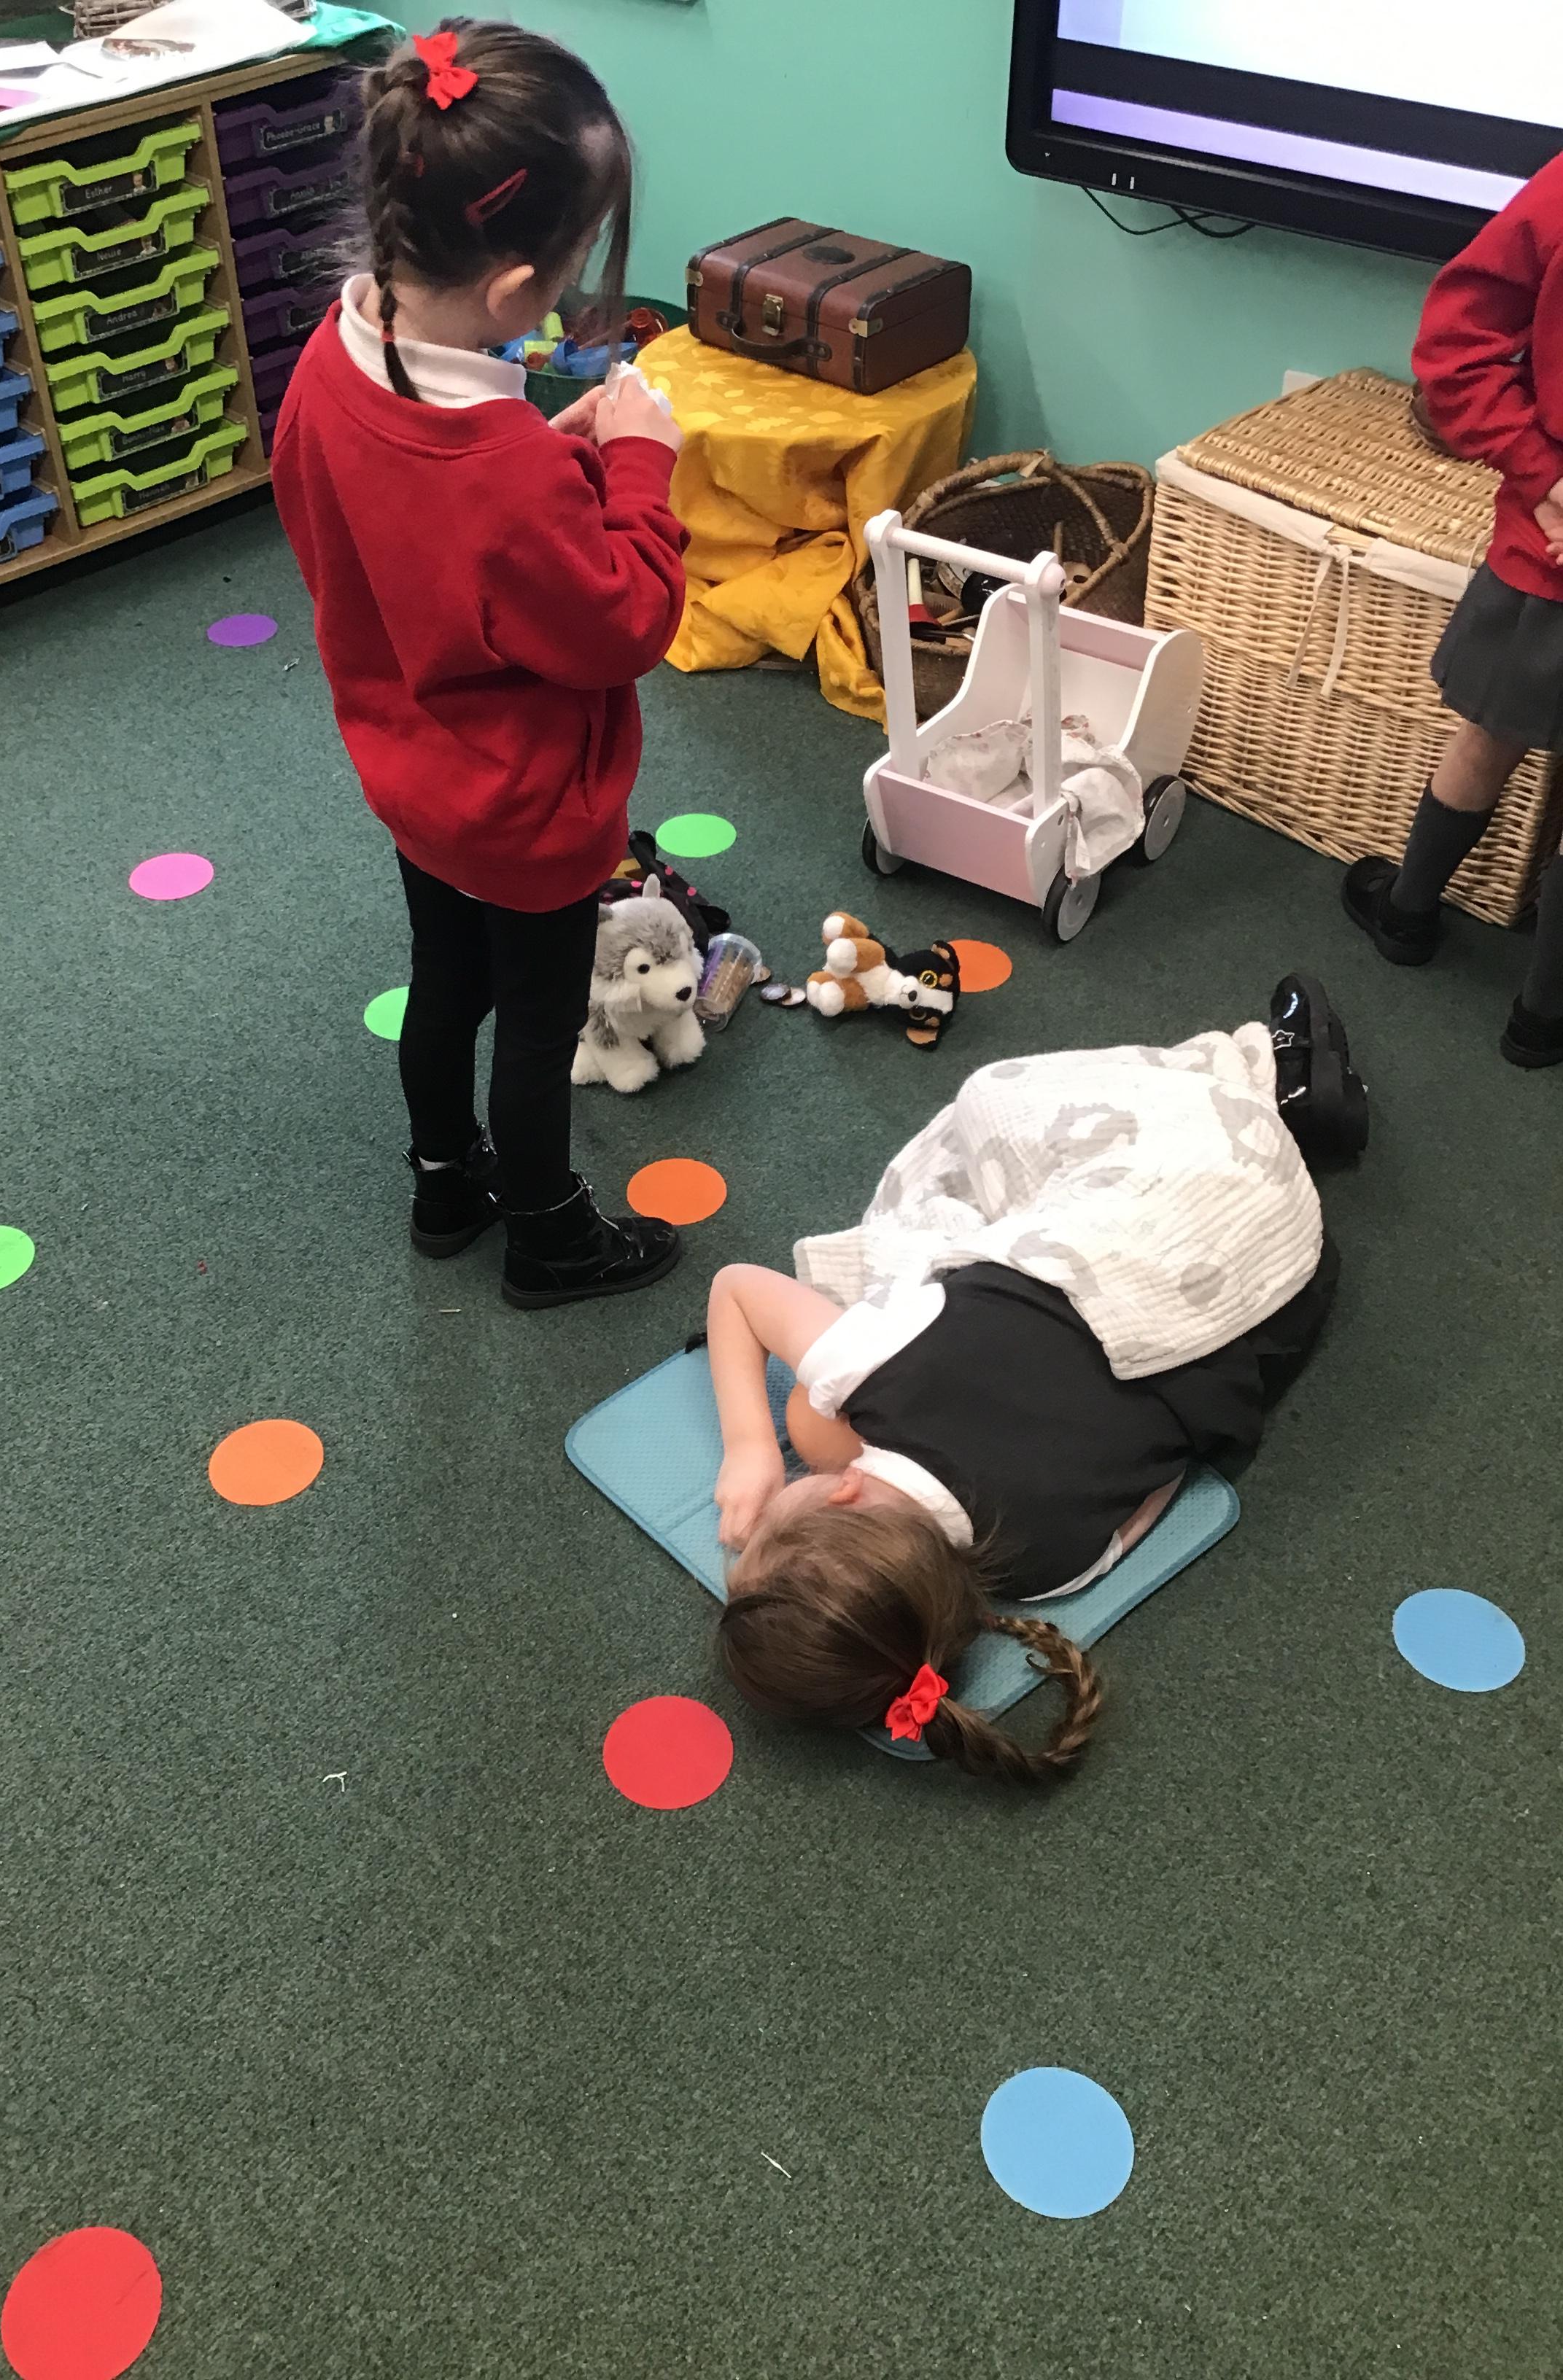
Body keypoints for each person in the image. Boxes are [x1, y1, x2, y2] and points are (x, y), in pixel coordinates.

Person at [273, 19, 689, 1305]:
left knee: (444, 984)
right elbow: (624, 620)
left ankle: (444, 1181)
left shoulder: (335, 357)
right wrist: (637, 467)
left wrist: (551, 463)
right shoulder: (504, 471)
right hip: (525, 808)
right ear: (516, 292)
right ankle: (551, 1235)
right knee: (537, 1017)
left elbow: (418, 524)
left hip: (411, 772)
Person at [703, 979, 1365, 1785]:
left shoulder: (1048, 1572)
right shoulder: (886, 1373)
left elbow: (1161, 1485)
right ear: (842, 1495)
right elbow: (737, 1288)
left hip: (1287, 1292)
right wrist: (748, 1445)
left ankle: (1297, 1115)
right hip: (1210, 1186)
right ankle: (1282, 1090)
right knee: (986, 1098)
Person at [1342, 153, 1563, 1069]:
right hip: (1548, 552)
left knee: (1485, 737)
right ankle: (1543, 1019)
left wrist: (1542, 472)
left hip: (1547, 555)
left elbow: (1455, 345)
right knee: (1486, 740)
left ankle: (1408, 914)